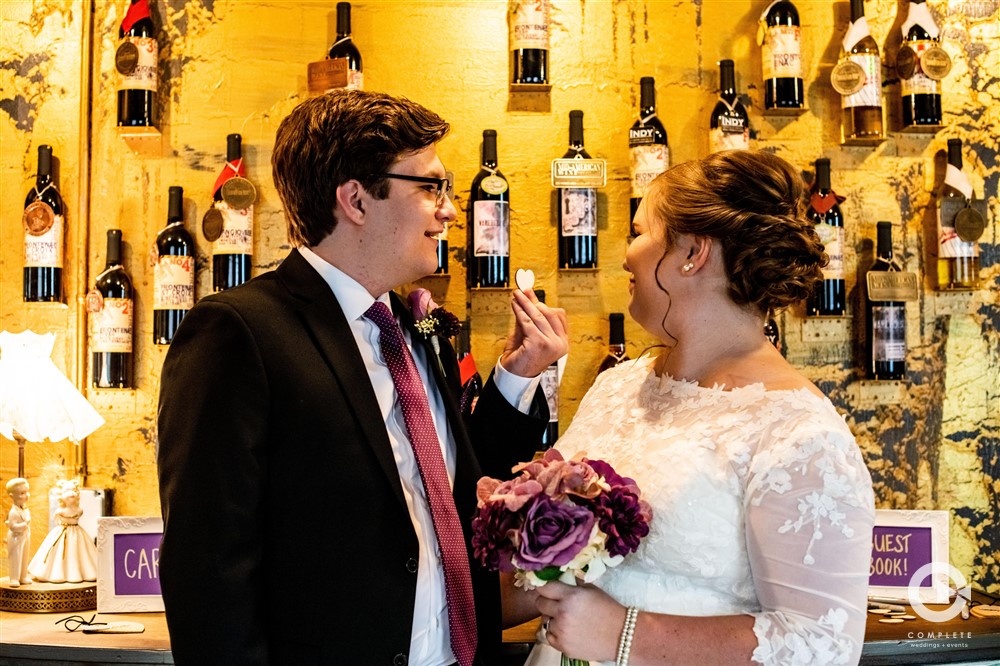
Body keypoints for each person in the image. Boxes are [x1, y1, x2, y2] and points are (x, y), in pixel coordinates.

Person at [157, 89, 568, 665]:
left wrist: (516, 376)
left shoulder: (415, 328)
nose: (449, 210)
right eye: (431, 187)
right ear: (355, 199)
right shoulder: (239, 332)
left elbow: (461, 490)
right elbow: (208, 572)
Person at [506, 150, 876, 665]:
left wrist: (623, 634)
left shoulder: (798, 432)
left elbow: (822, 644)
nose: (626, 255)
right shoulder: (616, 388)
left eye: (639, 232)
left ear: (693, 252)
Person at [29, 479, 98, 583]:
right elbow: (56, 520)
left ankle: (80, 573)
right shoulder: (60, 511)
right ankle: (57, 574)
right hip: (62, 532)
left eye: (73, 491)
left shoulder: (79, 510)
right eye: (67, 491)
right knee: (59, 553)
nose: (71, 494)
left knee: (79, 552)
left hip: (77, 532)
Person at [5, 478, 32, 587]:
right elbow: (12, 526)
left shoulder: (25, 509)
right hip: (16, 538)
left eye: (27, 492)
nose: (26, 495)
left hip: (25, 536)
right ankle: (14, 578)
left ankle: (23, 576)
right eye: (22, 493)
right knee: (15, 558)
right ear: (12, 496)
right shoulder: (13, 512)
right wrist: (24, 525)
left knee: (25, 556)